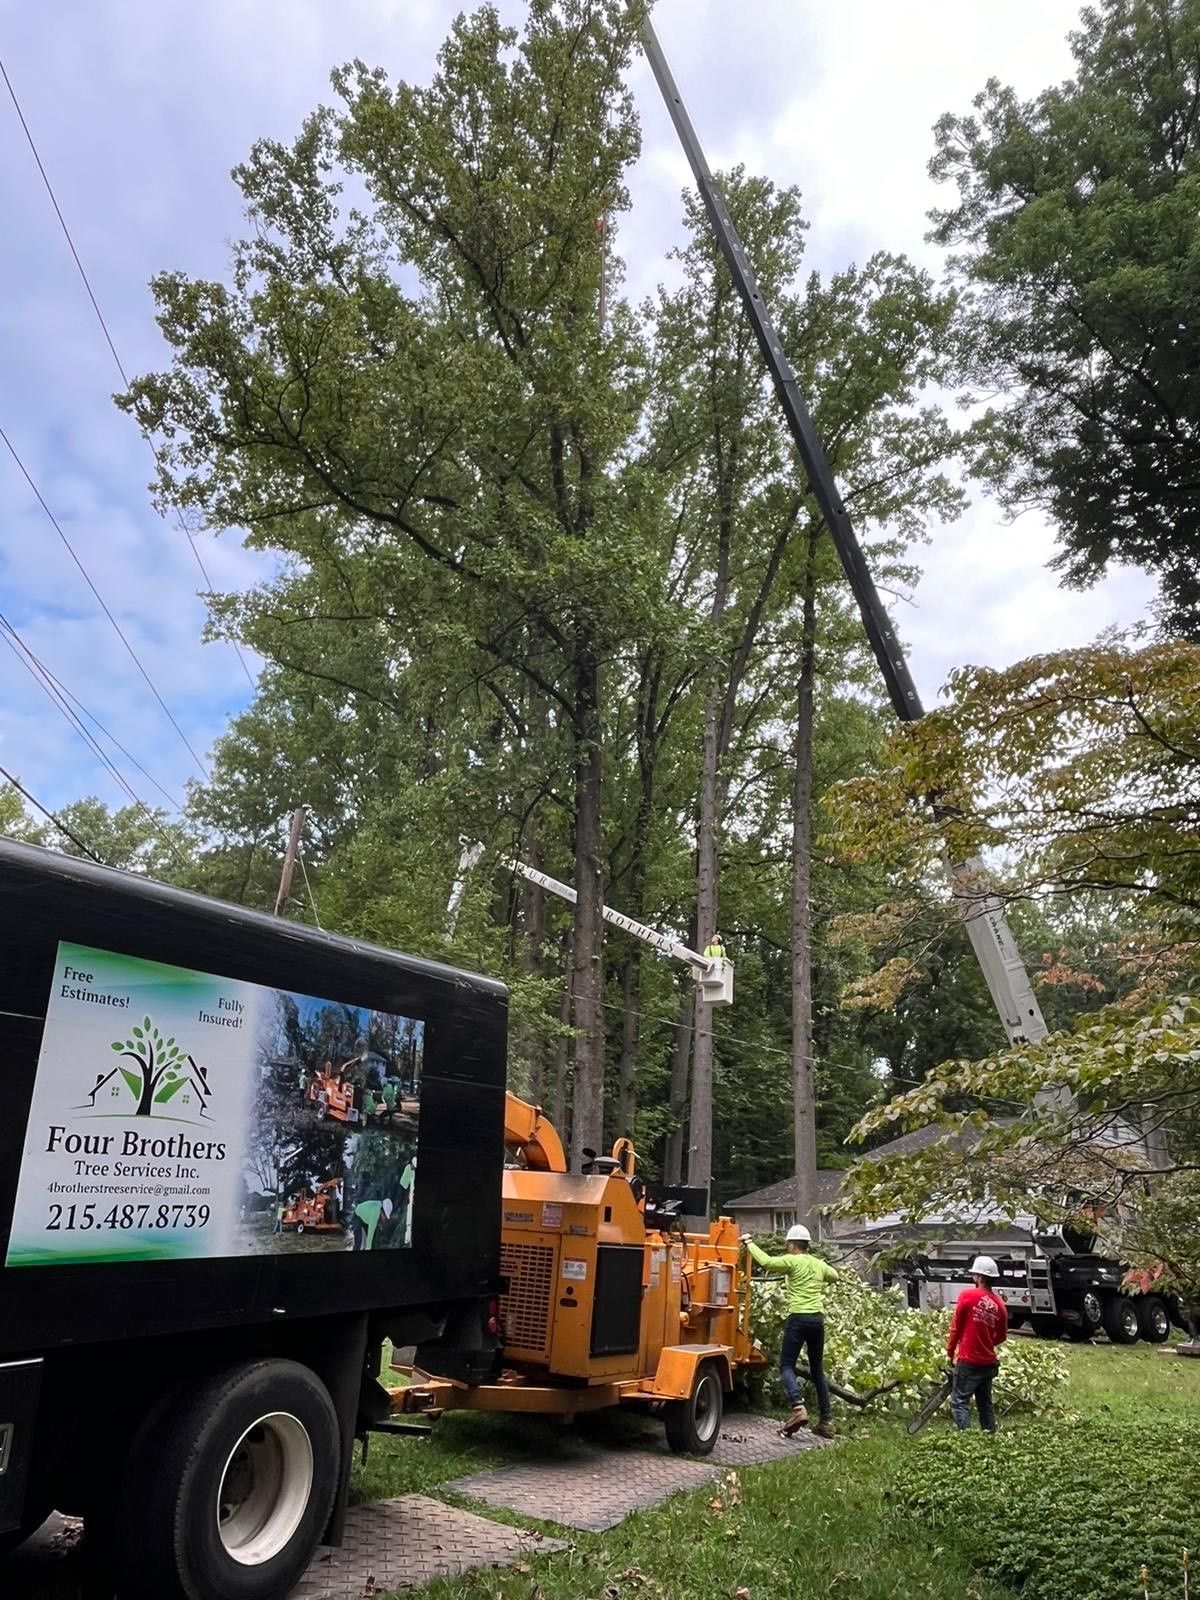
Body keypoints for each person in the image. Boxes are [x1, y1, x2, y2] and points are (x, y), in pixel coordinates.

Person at [743, 1224, 838, 1438]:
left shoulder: (791, 1261)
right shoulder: (818, 1263)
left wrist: (749, 1243)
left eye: (788, 1244)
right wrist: (818, 1273)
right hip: (817, 1320)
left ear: (792, 1245)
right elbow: (835, 1276)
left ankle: (798, 1407)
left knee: (786, 1365)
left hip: (798, 1318)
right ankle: (827, 1421)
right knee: (817, 1371)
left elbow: (766, 1261)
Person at [946, 1254, 1008, 1433]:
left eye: (975, 1275)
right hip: (988, 1362)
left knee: (959, 1402)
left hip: (968, 1360)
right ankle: (989, 1435)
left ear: (980, 1277)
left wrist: (950, 1354)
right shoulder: (999, 1305)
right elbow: (1001, 1336)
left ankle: (967, 1439)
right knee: (984, 1403)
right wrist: (986, 1342)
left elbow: (956, 1329)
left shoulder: (967, 1296)